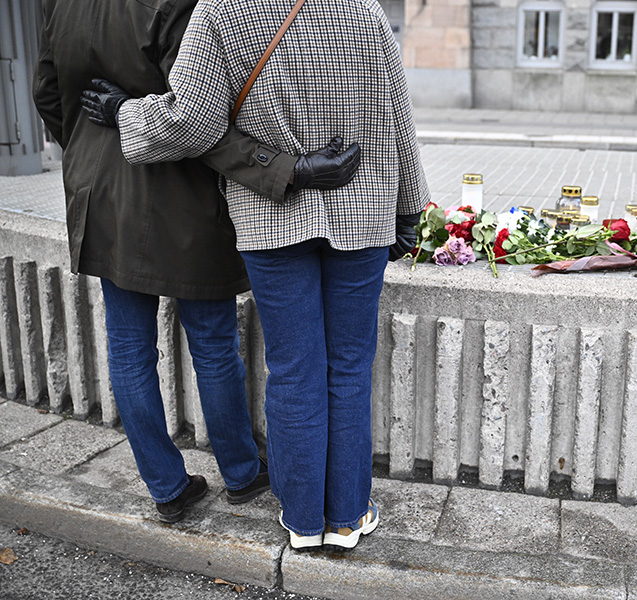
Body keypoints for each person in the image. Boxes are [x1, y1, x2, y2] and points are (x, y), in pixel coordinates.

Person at [83, 0, 430, 549]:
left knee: (292, 371)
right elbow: (398, 117)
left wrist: (125, 114)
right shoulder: (362, 9)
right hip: (364, 211)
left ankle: (302, 522)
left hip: (272, 215)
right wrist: (411, 207)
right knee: (349, 369)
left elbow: (191, 123)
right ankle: (346, 518)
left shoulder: (221, 13)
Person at [33, 0, 361, 523]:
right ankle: (240, 473)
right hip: (180, 200)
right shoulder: (178, 4)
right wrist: (285, 170)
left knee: (128, 350)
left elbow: (48, 93)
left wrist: (92, 154)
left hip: (99, 195)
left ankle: (166, 488)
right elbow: (196, 121)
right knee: (211, 343)